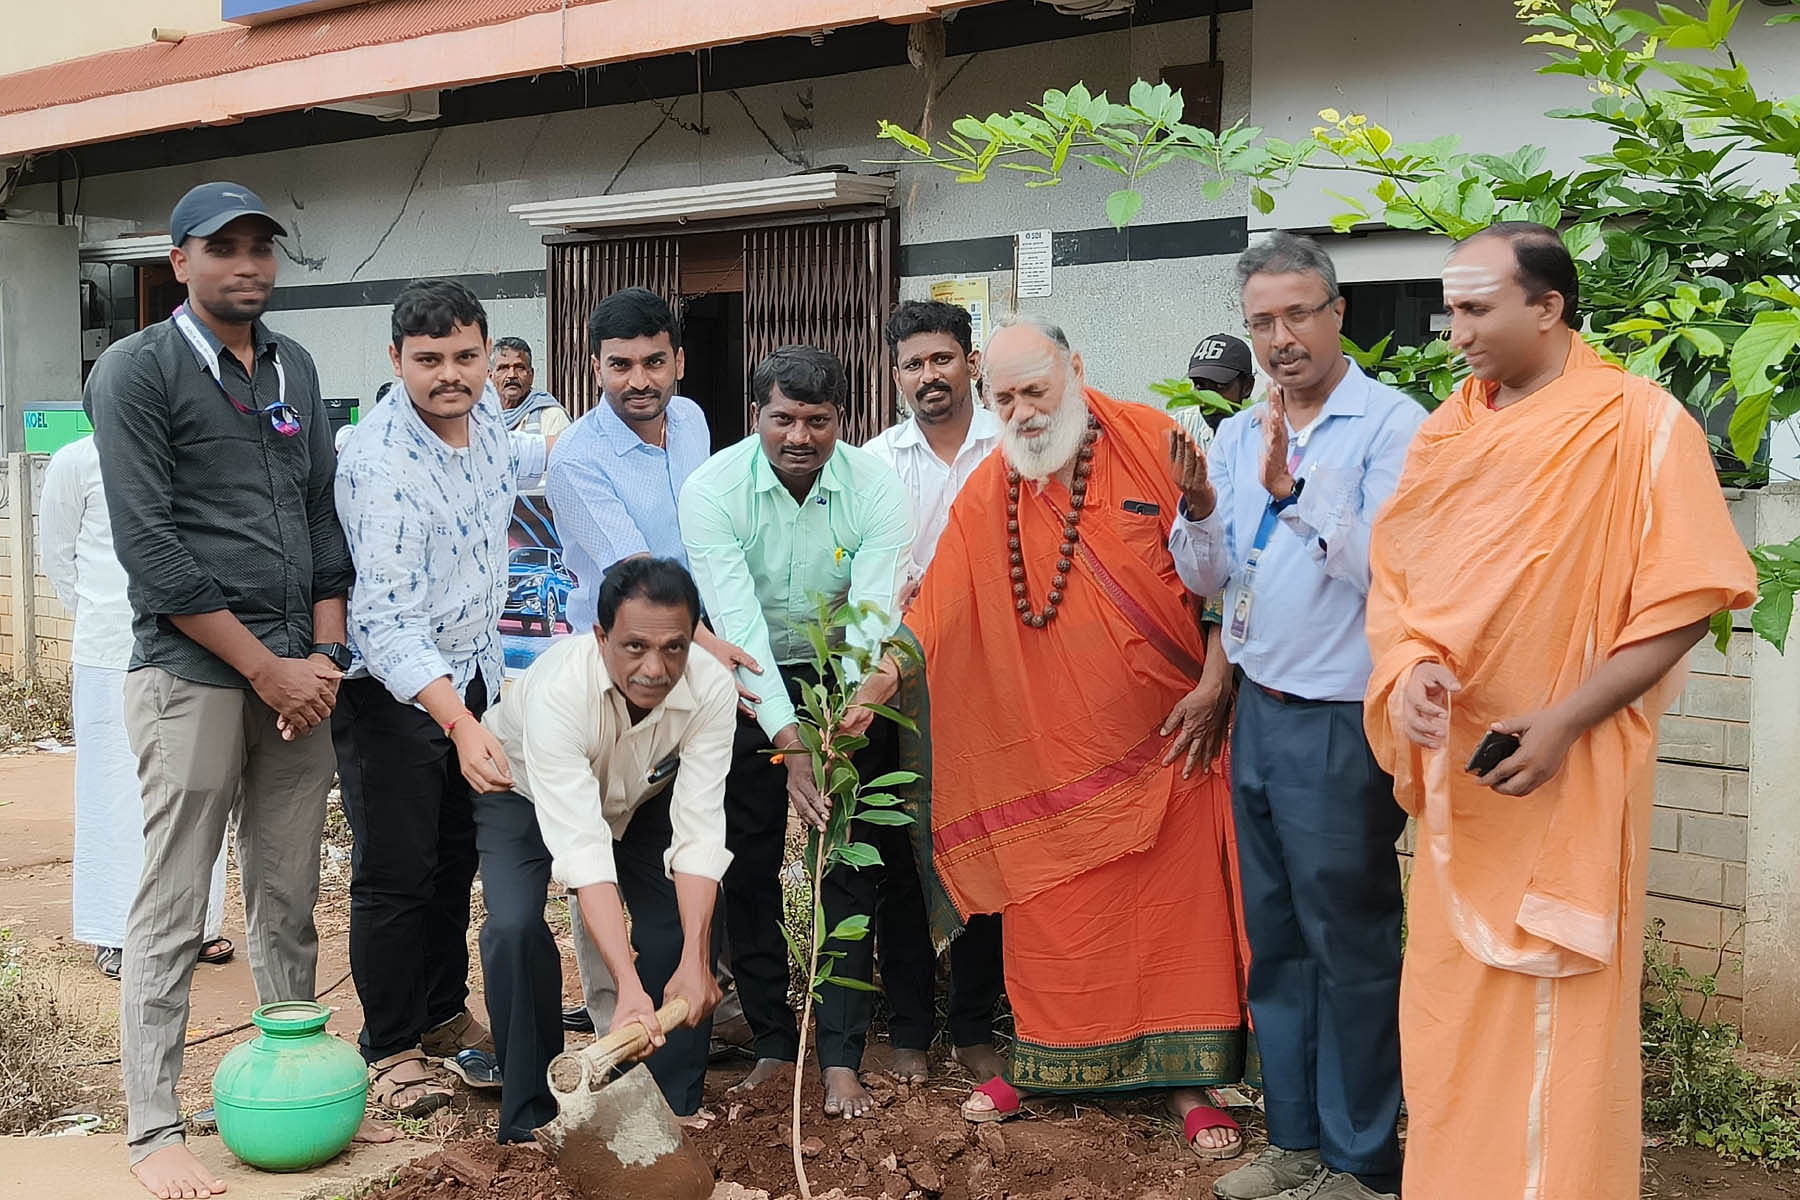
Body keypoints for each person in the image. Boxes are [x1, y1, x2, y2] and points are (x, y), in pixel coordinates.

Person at [1365, 223, 1757, 1199]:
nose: (1453, 332)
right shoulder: (1445, 429)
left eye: (1476, 308)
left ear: (1549, 306)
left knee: (1559, 1025)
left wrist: (1568, 719)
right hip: (1466, 790)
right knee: (1451, 1021)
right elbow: (1400, 589)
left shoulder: (1638, 423)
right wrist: (1410, 666)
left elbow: (1690, 602)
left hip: (1565, 771)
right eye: (1448, 308)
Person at [853, 315, 1250, 1159]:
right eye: (1003, 399)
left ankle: (1188, 1079)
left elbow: (1230, 568)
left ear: (1076, 367)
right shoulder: (991, 488)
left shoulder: (1154, 441)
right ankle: (1041, 1062)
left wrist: (1217, 682)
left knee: (1176, 920)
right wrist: (878, 684)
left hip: (1172, 742)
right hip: (1048, 755)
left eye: (1036, 389)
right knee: (1054, 918)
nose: (1023, 412)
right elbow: (938, 608)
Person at [86, 181, 351, 1200]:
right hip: (195, 676)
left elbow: (323, 518)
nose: (248, 265)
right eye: (224, 248)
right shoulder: (136, 371)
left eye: (261, 248)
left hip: (299, 680)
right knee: (175, 898)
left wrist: (321, 661)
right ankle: (155, 1125)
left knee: (287, 899)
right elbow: (152, 551)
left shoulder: (294, 364)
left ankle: (292, 1089)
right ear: (179, 259)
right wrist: (267, 667)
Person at [1167, 232, 1426, 1200]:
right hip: (1261, 713)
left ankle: (1362, 1161)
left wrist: (1295, 493)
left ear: (1337, 312)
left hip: (1340, 723)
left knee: (1348, 941)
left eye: (1297, 315)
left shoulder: (1393, 428)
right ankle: (1298, 1144)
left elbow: (1398, 576)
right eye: (1261, 321)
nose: (1280, 339)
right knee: (1274, 940)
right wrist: (1198, 509)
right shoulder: (1239, 432)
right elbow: (1214, 579)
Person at [678, 345, 926, 1119]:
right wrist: (788, 744)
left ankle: (843, 1054)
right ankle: (773, 1044)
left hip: (838, 674)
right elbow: (736, 617)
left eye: (817, 420)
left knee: (845, 864)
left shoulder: (877, 488)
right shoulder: (713, 489)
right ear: (756, 415)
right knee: (746, 868)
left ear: (841, 421)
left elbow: (873, 610)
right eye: (782, 417)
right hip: (743, 678)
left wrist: (839, 722)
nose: (799, 435)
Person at [333, 280, 556, 1117]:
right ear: (396, 361)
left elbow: (524, 465)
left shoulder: (491, 418)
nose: (450, 376)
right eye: (428, 361)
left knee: (455, 856)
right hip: (395, 690)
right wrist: (458, 722)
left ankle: (437, 1014)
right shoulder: (378, 463)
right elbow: (383, 620)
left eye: (466, 358)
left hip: (474, 670)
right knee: (396, 871)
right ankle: (388, 1044)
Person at [543, 286, 754, 1038]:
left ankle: (706, 987)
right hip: (616, 670)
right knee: (597, 837)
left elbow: (708, 540)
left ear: (679, 361)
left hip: (695, 661)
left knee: (695, 825)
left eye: (654, 362)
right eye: (620, 365)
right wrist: (711, 646)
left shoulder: (693, 421)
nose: (639, 380)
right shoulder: (577, 460)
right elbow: (633, 576)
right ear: (594, 366)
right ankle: (614, 1018)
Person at [474, 556, 733, 1139]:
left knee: (680, 928)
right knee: (514, 929)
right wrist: (629, 988)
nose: (655, 667)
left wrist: (696, 961)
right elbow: (585, 854)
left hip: (641, 796)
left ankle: (668, 1115)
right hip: (523, 789)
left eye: (674, 648)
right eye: (635, 646)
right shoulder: (558, 693)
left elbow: (698, 832)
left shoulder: (711, 688)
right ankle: (533, 1118)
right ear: (601, 637)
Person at [863, 299, 1006, 1084]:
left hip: (993, 686)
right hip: (899, 685)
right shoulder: (873, 463)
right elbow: (858, 577)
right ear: (895, 376)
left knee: (986, 848)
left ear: (971, 363)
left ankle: (976, 1024)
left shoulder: (1011, 447)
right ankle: (911, 1029)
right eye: (914, 364)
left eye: (943, 359)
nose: (930, 376)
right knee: (897, 863)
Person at [39, 435, 230, 982]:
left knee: (196, 784)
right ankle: (115, 933)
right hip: (108, 652)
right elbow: (58, 558)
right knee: (116, 794)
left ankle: (197, 924)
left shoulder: (189, 453)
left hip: (193, 649)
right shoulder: (76, 461)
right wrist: (106, 619)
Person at [489, 336, 570, 491]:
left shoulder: (552, 416)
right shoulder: (477, 419)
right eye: (503, 368)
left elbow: (565, 476)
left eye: (519, 367)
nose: (512, 375)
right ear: (490, 376)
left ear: (531, 375)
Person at [1173, 332, 1258, 449]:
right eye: (1200, 385)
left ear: (1247, 387)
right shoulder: (1179, 428)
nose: (1208, 398)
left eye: (1219, 385)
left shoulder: (1267, 435)